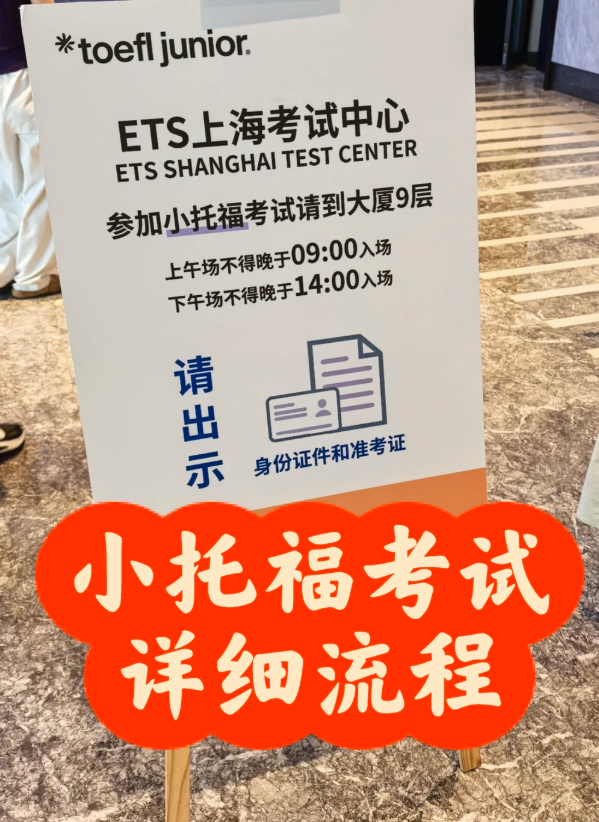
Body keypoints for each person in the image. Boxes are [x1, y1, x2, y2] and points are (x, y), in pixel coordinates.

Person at [0, 0, 60, 298]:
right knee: (42, 179)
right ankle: (34, 277)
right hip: (21, 70)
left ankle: (4, 268)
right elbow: (43, 7)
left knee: (7, 183)